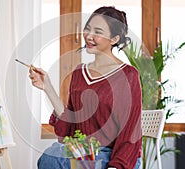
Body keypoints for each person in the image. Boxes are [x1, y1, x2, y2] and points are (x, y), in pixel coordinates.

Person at [29, 6, 142, 169]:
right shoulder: (79, 73)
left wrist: (116, 166)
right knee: (50, 156)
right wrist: (47, 87)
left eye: (98, 32)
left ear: (114, 39)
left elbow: (130, 131)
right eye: (87, 29)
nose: (89, 36)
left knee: (55, 161)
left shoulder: (128, 75)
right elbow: (71, 124)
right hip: (84, 151)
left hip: (113, 155)